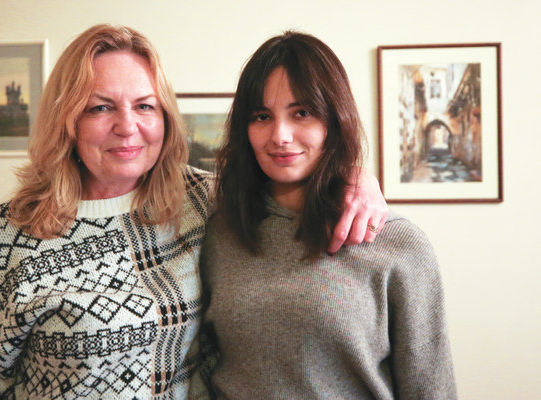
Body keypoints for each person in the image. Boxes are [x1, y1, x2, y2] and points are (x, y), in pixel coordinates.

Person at [0, 25, 387, 399]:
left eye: (145, 106)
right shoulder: (13, 229)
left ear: (165, 116)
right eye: (100, 107)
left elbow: (294, 170)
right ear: (66, 120)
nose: (127, 127)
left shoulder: (204, 199)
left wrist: (357, 178)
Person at [195, 31, 457, 399]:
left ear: (335, 119)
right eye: (262, 116)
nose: (280, 135)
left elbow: (430, 388)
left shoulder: (398, 243)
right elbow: (197, 367)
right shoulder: (216, 231)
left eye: (301, 113)